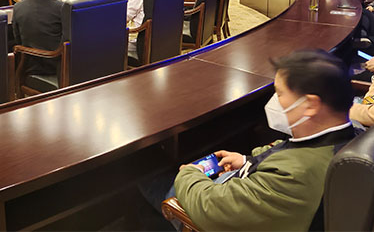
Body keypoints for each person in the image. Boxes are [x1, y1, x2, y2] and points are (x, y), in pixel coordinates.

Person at [142, 50, 355, 231]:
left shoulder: (293, 177)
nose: (275, 101)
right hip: (243, 191)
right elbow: (288, 150)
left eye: (280, 93)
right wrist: (247, 161)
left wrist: (190, 173)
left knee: (145, 172)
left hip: (211, 205)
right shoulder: (344, 138)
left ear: (310, 105)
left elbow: (211, 208)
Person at [13, 0, 65, 83]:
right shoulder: (61, 7)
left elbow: (18, 40)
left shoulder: (18, 7)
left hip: (30, 65)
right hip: (57, 66)